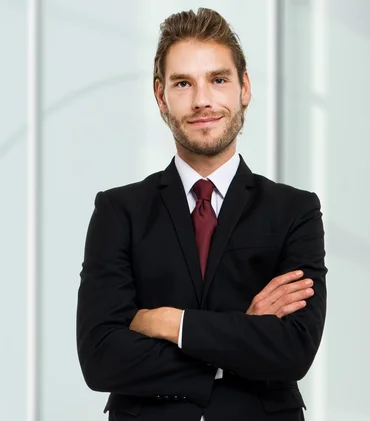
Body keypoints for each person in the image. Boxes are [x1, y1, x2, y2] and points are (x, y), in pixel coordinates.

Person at [76, 8, 327, 421]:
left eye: (218, 79)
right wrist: (239, 336)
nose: (202, 101)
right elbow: (101, 357)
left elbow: (292, 351)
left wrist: (171, 323)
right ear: (160, 95)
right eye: (182, 83)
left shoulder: (294, 211)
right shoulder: (119, 211)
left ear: (244, 87)